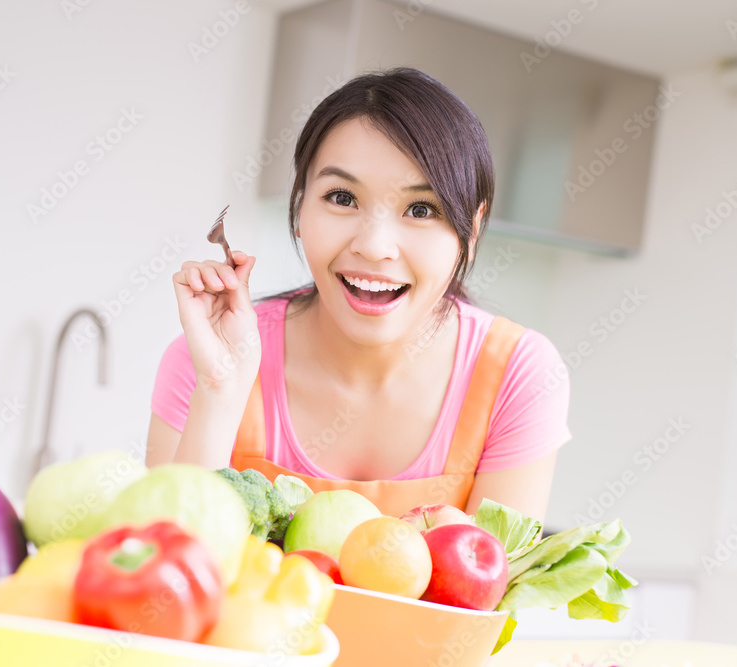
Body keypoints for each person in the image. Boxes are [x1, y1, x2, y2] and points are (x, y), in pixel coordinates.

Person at [145, 67, 570, 521]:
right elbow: (161, 575)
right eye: (343, 198)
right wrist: (218, 390)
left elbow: (490, 587)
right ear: (299, 208)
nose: (373, 245)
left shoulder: (517, 376)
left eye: (421, 209)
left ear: (473, 228)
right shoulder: (210, 358)